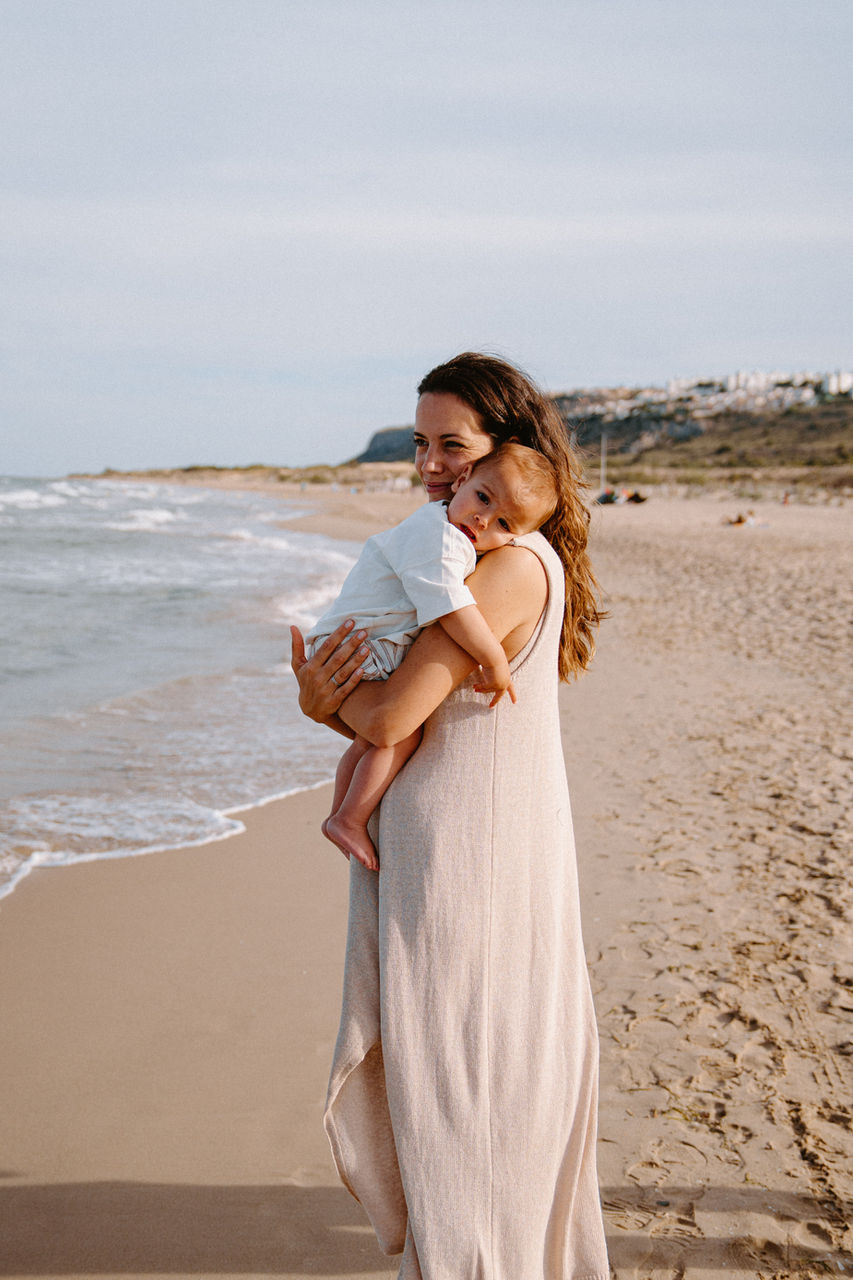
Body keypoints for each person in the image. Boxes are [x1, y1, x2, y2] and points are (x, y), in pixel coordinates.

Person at [290, 352, 610, 1278]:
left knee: (463, 1087)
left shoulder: (507, 566)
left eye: (452, 446)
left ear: (505, 452)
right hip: (467, 849)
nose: (431, 464)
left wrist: (318, 700)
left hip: (471, 863)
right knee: (467, 1082)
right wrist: (335, 705)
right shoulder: (483, 555)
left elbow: (391, 717)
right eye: (421, 443)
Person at [305, 443, 559, 871]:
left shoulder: (470, 540)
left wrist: (317, 710)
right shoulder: (440, 538)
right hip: (361, 647)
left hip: (361, 643)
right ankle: (348, 818)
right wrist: (493, 659)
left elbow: (375, 726)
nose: (483, 520)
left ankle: (342, 816)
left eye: (503, 523)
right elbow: (451, 607)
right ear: (464, 481)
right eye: (482, 498)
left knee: (372, 741)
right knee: (402, 734)